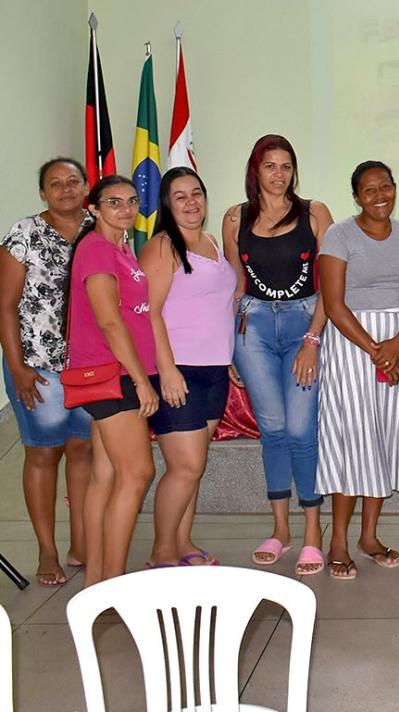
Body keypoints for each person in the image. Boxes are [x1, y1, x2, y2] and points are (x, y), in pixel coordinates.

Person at [317, 161, 399, 580]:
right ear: (356, 197)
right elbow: (333, 304)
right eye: (369, 190)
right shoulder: (339, 235)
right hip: (353, 346)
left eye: (385, 186)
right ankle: (338, 542)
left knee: (384, 438)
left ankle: (369, 537)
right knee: (355, 440)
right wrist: (377, 350)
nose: (379, 196)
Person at [222, 134, 333, 576]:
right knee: (272, 428)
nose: (279, 174)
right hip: (252, 328)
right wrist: (227, 347)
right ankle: (281, 529)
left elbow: (332, 284)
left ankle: (313, 532)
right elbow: (235, 284)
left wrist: (313, 339)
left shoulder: (315, 213)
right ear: (256, 170)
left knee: (301, 427)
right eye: (270, 165)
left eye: (286, 166)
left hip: (305, 322)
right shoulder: (235, 218)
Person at [0, 158, 92, 586]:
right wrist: (17, 366)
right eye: (55, 184)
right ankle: (47, 551)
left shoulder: (101, 228)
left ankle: (80, 544)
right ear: (43, 193)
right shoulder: (23, 234)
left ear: (86, 186)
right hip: (37, 366)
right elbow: (5, 307)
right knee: (43, 453)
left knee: (83, 451)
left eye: (73, 181)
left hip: (89, 365)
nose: (66, 189)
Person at [141, 168, 238, 568]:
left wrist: (230, 356)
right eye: (180, 196)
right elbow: (149, 312)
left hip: (214, 370)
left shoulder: (211, 242)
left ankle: (183, 543)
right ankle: (161, 552)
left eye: (196, 193)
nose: (191, 202)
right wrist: (166, 370)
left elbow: (218, 305)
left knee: (193, 467)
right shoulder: (163, 246)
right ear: (167, 204)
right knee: (186, 466)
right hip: (177, 371)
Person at [66, 175, 160, 585]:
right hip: (114, 375)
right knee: (136, 474)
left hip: (117, 373)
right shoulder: (97, 249)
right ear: (94, 208)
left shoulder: (119, 248)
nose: (126, 209)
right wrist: (141, 379)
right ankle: (115, 584)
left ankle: (96, 583)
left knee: (105, 478)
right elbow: (108, 322)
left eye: (132, 201)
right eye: (114, 202)